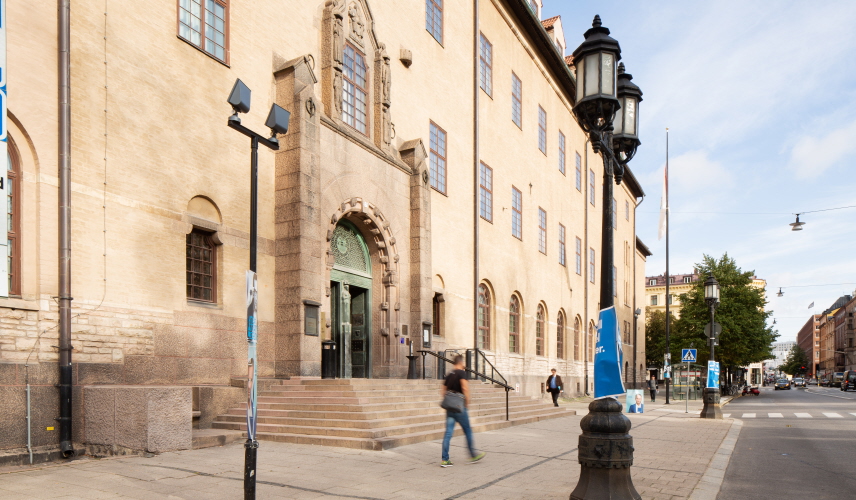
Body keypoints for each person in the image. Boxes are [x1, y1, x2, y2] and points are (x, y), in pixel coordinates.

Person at [440, 355, 486, 467]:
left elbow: (442, 391)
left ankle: (445, 460)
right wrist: (467, 403)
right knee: (468, 431)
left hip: (450, 407)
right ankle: (473, 454)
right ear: (461, 362)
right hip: (460, 407)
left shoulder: (449, 374)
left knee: (448, 433)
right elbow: (465, 388)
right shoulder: (462, 373)